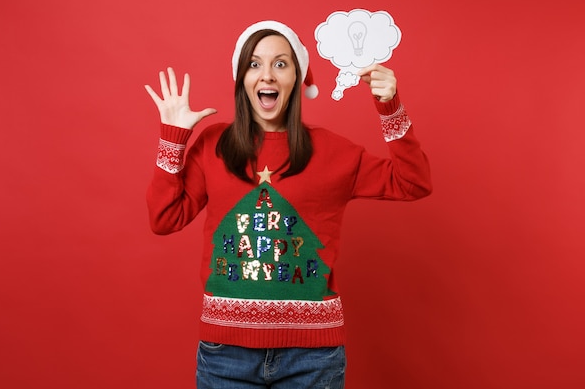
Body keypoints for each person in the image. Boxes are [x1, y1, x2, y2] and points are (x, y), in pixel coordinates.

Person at [144, 20, 432, 389]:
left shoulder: (334, 152)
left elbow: (414, 182)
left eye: (281, 64)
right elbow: (163, 218)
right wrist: (174, 139)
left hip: (313, 359)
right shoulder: (214, 144)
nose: (267, 75)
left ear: (297, 77)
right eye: (254, 64)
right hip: (225, 355)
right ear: (241, 78)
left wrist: (389, 106)